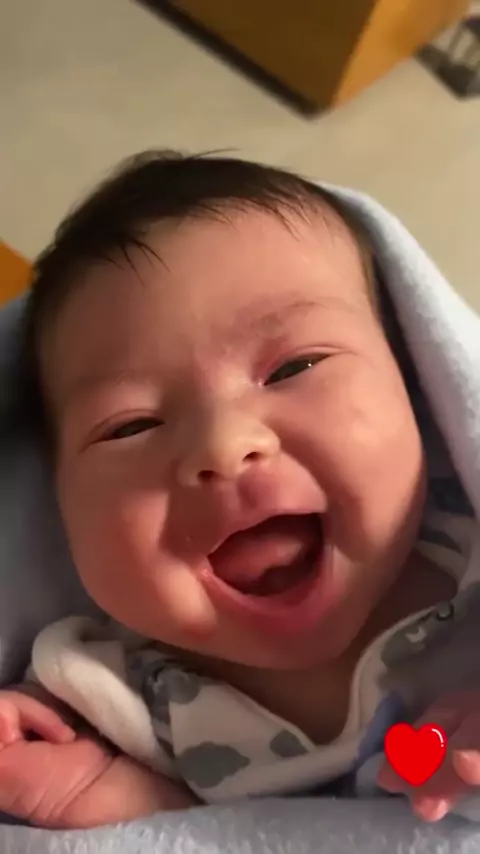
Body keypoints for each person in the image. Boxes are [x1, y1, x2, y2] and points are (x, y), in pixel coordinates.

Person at [1, 151, 479, 829]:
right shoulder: (112, 701)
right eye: (131, 426)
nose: (223, 446)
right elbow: (192, 841)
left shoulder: (468, 554)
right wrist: (87, 792)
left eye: (294, 367)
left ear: (417, 381)